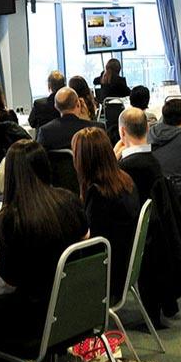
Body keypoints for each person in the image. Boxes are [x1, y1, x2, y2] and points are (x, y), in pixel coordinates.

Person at [0, 140, 88, 352]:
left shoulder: (10, 218)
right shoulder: (69, 200)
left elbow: (10, 276)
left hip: (34, 317)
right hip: (76, 306)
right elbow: (86, 240)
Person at [116, 107, 181, 324]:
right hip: (158, 239)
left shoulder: (125, 169)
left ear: (122, 134)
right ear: (148, 128)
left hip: (135, 239)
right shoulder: (154, 163)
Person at [72, 126, 140, 301]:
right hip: (124, 264)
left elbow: (93, 240)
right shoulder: (125, 180)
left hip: (106, 271)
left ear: (84, 160)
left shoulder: (98, 193)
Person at [36, 86, 105, 151]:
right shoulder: (96, 128)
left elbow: (40, 159)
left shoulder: (45, 132)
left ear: (56, 106)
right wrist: (87, 119)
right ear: (78, 104)